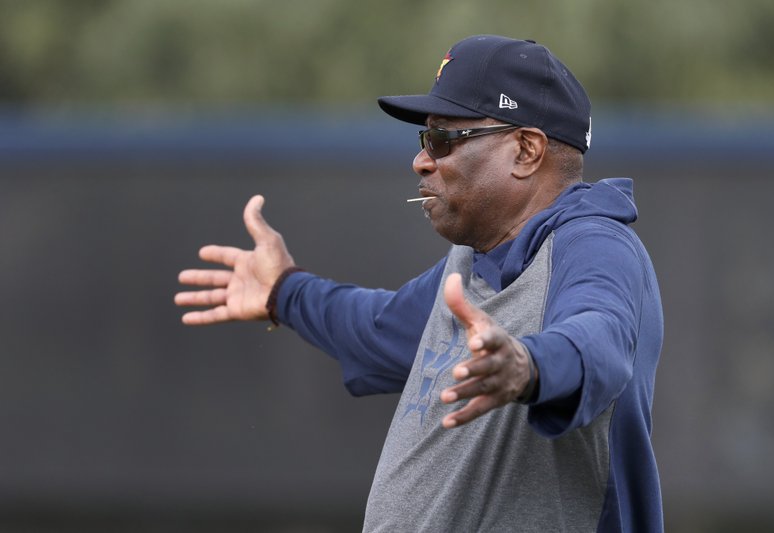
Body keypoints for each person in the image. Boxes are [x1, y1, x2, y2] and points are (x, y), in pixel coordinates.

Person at [175, 35, 664, 532]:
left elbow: (601, 339)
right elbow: (373, 327)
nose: (422, 160)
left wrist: (527, 365)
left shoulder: (595, 243)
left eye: (444, 140)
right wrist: (285, 291)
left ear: (525, 150)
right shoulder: (470, 265)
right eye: (424, 140)